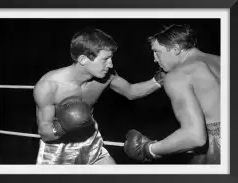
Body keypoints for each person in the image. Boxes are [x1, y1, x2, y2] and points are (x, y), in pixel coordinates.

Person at [33, 27, 165, 165]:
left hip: (91, 143)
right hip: (59, 151)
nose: (111, 64)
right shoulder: (49, 86)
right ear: (83, 59)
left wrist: (159, 81)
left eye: (111, 58)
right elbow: (44, 133)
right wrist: (63, 125)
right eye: (105, 59)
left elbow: (131, 91)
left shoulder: (107, 76)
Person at [124, 24, 220, 164]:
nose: (155, 59)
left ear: (175, 49)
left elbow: (194, 136)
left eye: (157, 52)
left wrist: (149, 149)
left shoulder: (178, 75)